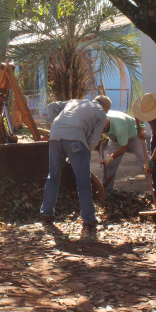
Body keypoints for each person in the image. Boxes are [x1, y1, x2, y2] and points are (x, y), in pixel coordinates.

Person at [40, 95, 112, 238]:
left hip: (55, 136)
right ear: (105, 107)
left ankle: (46, 214)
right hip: (76, 140)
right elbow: (94, 139)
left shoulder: (74, 102)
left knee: (53, 176)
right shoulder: (101, 114)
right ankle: (89, 218)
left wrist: (54, 123)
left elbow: (51, 106)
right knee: (83, 181)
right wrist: (85, 151)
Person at [100, 109, 147, 194]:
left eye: (104, 128)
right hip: (115, 139)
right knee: (109, 165)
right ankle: (105, 192)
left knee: (145, 160)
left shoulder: (119, 127)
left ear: (107, 121)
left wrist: (112, 157)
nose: (102, 130)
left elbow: (124, 146)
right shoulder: (98, 120)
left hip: (133, 135)